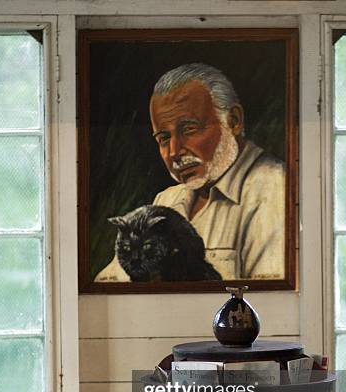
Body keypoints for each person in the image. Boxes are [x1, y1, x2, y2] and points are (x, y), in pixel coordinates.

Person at [96, 63, 285, 281]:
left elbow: (271, 301)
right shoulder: (167, 199)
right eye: (164, 138)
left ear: (233, 121)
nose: (174, 151)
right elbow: (112, 283)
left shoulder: (277, 190)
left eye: (189, 129)